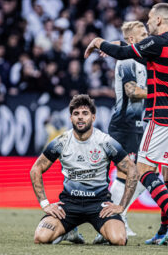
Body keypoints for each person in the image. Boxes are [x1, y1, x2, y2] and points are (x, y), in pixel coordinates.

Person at [85, 3, 168, 245]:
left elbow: (127, 54)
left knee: (143, 170)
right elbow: (146, 59)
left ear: (158, 20)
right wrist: (117, 49)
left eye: (149, 18)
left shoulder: (158, 42)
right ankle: (164, 231)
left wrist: (98, 42)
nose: (147, 22)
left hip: (164, 117)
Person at [30, 94, 139, 245]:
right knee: (40, 238)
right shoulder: (61, 141)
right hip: (69, 205)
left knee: (119, 239)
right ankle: (69, 231)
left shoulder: (105, 141)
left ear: (93, 117)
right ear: (71, 118)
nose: (80, 117)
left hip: (99, 205)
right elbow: (36, 169)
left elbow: (132, 170)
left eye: (85, 113)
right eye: (76, 114)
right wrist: (45, 204)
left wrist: (121, 206)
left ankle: (103, 233)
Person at [93, 21, 148, 244]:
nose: (148, 36)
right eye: (143, 34)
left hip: (134, 125)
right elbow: (132, 91)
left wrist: (112, 44)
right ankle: (115, 218)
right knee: (130, 174)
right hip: (124, 124)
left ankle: (118, 215)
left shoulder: (140, 57)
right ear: (132, 40)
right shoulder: (127, 60)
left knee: (141, 175)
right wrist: (158, 92)